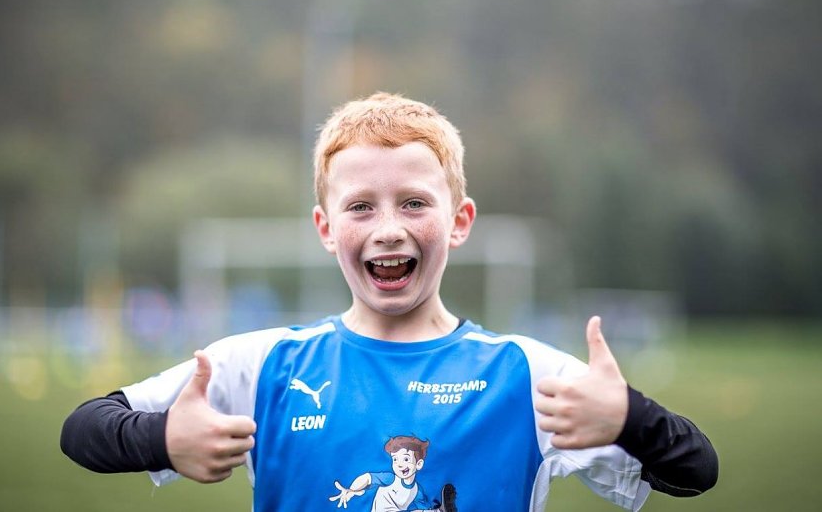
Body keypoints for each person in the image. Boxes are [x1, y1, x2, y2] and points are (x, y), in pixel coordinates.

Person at [61, 92, 718, 511]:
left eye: (413, 202)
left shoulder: (528, 375)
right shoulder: (262, 365)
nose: (388, 228)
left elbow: (695, 469)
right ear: (326, 228)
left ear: (459, 221)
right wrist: (161, 437)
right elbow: (83, 428)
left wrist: (628, 414)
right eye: (360, 206)